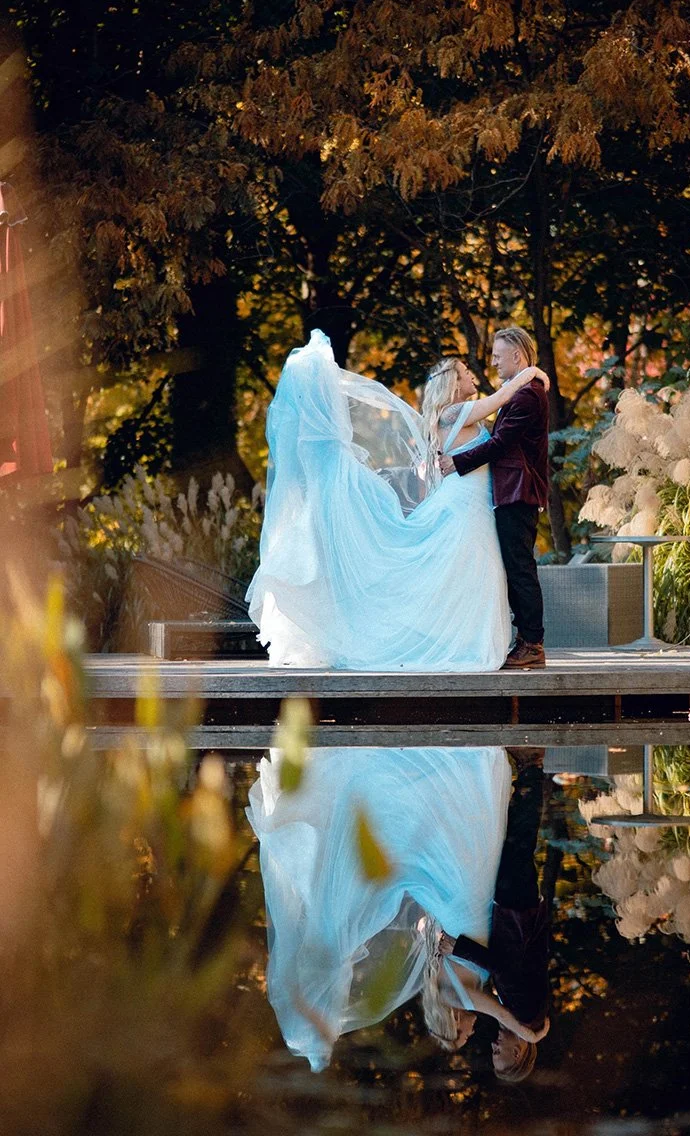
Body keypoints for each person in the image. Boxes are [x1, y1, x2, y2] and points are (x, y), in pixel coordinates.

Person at [246, 329, 547, 671]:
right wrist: (533, 372)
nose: (478, 371)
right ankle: (480, 643)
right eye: (465, 373)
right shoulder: (455, 412)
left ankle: (486, 641)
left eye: (493, 357)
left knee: (473, 575)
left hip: (474, 500)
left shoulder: (455, 413)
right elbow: (502, 399)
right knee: (472, 573)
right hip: (467, 502)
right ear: (452, 383)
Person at [246, 746, 517, 1070]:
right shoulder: (457, 988)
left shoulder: (454, 996)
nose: (472, 1034)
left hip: (465, 910)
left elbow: (504, 1015)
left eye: (462, 1036)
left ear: (453, 1021)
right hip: (465, 911)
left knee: (461, 830)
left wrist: (530, 1032)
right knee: (457, 830)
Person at [439, 326, 549, 669]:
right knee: (516, 567)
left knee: (520, 568)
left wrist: (457, 462)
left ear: (517, 356)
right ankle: (525, 640)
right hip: (511, 490)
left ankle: (532, 643)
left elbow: (500, 444)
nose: (493, 362)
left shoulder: (528, 394)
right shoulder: (520, 391)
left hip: (519, 491)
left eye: (498, 356)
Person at [438, 750, 551, 1084]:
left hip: (519, 914)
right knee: (519, 840)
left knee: (514, 842)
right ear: (517, 1053)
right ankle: (532, 768)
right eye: (499, 1052)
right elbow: (503, 965)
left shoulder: (526, 1015)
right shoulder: (527, 1014)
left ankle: (526, 773)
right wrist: (457, 948)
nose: (494, 1044)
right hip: (518, 915)